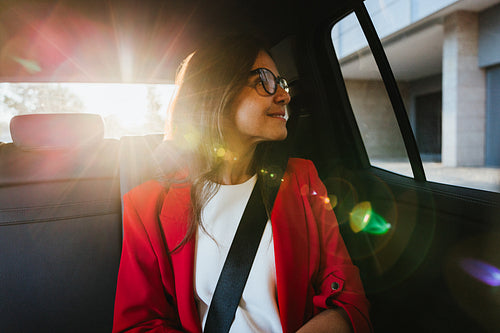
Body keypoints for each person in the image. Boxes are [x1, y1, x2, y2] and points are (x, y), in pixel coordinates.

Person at [112, 35, 372, 333]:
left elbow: (349, 299)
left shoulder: (302, 179)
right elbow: (139, 325)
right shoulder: (147, 206)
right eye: (264, 80)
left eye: (281, 82)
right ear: (216, 92)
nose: (284, 96)